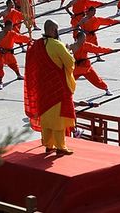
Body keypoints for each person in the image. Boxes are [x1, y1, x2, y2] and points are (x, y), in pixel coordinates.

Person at [24, 19, 76, 155]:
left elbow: (31, 62)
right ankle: (60, 146)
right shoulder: (57, 45)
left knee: (46, 117)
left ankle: (48, 144)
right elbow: (70, 63)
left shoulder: (37, 45)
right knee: (58, 118)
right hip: (57, 86)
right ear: (53, 30)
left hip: (42, 86)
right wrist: (68, 51)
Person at [69, 31, 113, 96]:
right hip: (77, 68)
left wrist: (110, 50)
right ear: (78, 38)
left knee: (96, 80)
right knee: (68, 80)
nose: (84, 40)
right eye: (83, 38)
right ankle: (65, 93)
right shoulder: (72, 46)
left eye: (85, 38)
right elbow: (64, 51)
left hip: (86, 67)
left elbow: (98, 49)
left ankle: (106, 89)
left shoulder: (86, 45)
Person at [0, 21, 30, 89]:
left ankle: (18, 75)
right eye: (11, 26)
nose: (12, 27)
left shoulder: (12, 33)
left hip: (9, 53)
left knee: (14, 64)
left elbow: (21, 37)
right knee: (0, 67)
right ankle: (0, 82)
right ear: (7, 26)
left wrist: (30, 40)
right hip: (1, 54)